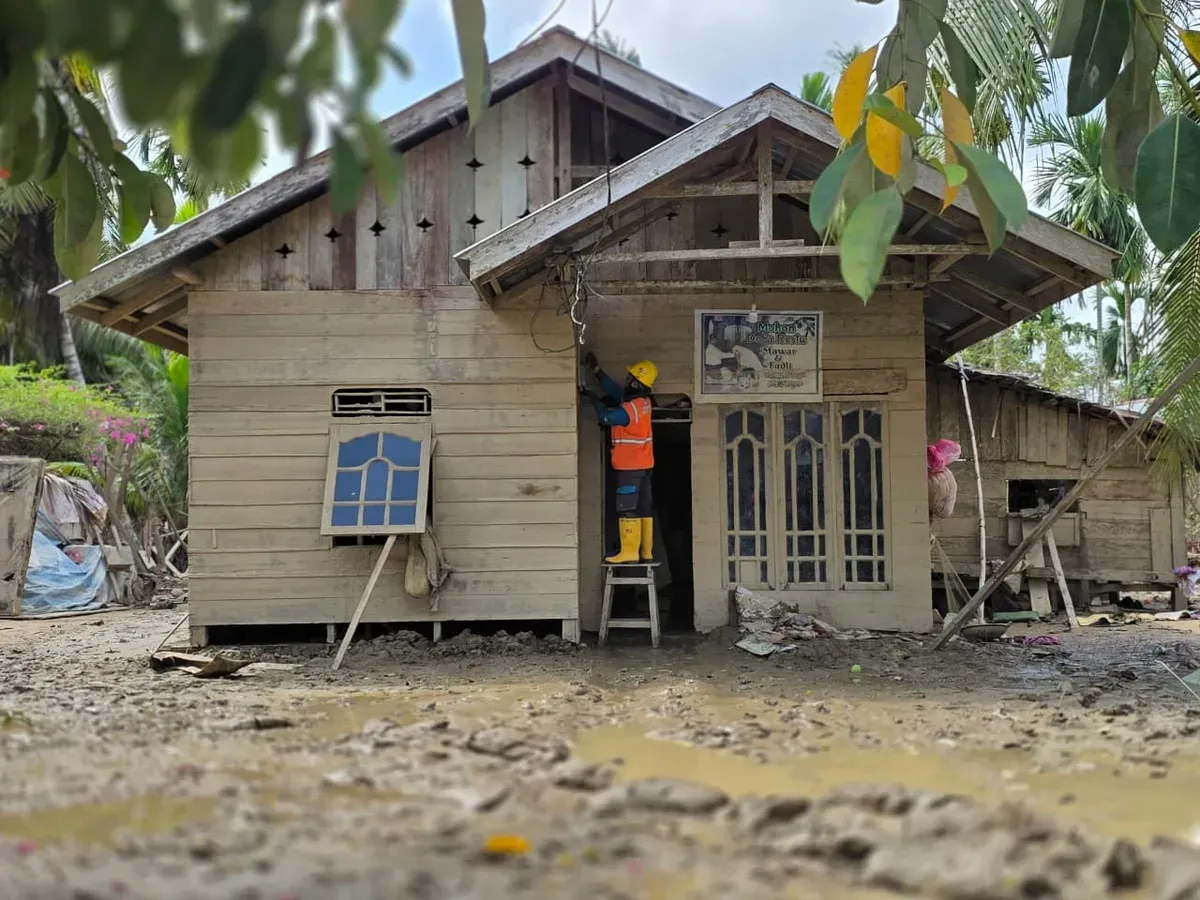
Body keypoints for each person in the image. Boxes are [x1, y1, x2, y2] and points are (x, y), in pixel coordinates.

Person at [583, 353, 658, 564]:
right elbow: (615, 391)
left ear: (636, 381)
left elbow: (606, 417)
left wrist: (594, 400)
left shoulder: (629, 410)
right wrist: (597, 372)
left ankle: (629, 552)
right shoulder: (642, 403)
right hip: (643, 468)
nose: (626, 380)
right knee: (643, 507)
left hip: (629, 469)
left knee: (627, 508)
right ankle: (646, 552)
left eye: (630, 377)